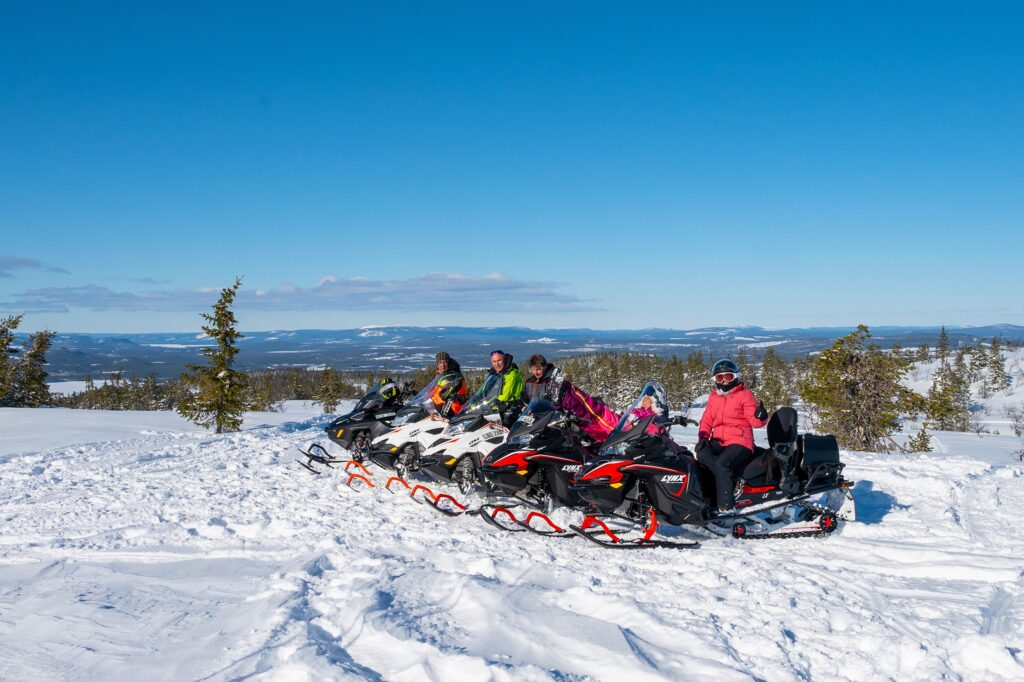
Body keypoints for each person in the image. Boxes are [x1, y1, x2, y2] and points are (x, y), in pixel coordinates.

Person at [695, 359, 769, 514]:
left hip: (740, 441)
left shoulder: (744, 395)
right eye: (719, 378)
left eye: (727, 377)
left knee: (722, 465)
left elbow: (755, 422)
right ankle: (725, 483)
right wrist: (703, 437)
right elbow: (707, 418)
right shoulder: (714, 397)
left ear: (735, 377)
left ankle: (726, 508)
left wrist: (761, 416)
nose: (723, 381)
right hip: (719, 441)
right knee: (701, 454)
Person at [487, 350, 524, 421]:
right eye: (494, 361)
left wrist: (490, 404)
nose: (497, 364)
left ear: (504, 359)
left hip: (511, 411)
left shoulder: (511, 374)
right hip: (498, 410)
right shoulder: (493, 374)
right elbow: (485, 390)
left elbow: (506, 395)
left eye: (499, 360)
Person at [430, 351, 468, 417]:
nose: (443, 365)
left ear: (448, 362)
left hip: (449, 408)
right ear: (437, 363)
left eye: (445, 362)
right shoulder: (439, 374)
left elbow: (455, 395)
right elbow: (434, 391)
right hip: (436, 405)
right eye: (440, 362)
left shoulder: (453, 376)